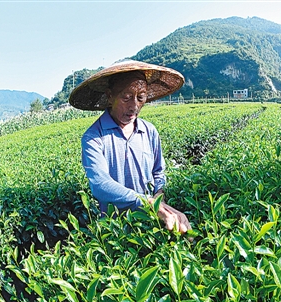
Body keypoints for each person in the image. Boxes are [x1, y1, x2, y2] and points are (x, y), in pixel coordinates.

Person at [69, 60, 191, 234]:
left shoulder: (149, 131)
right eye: (126, 97)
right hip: (115, 231)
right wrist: (146, 202)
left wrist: (158, 198)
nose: (134, 106)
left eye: (140, 97)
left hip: (151, 223)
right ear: (110, 96)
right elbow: (100, 184)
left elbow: (158, 173)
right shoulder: (94, 137)